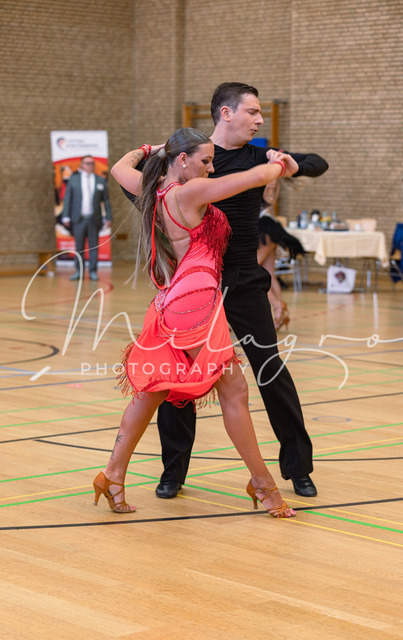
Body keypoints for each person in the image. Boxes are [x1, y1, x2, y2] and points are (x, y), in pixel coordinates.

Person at [93, 127, 298, 518]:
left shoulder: (152, 190)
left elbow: (120, 166)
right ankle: (264, 486)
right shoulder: (190, 192)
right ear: (183, 160)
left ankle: (112, 475)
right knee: (234, 392)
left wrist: (150, 148)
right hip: (195, 305)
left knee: (153, 390)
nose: (211, 167)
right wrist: (278, 164)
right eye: (205, 160)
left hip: (171, 301)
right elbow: (252, 178)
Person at [150, 83, 328, 501]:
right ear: (226, 113)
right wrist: (151, 151)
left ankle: (298, 468)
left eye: (261, 112)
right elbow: (137, 182)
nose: (259, 120)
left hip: (243, 280)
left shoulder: (257, 157)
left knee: (270, 369)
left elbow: (317, 163)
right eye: (252, 112)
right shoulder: (194, 157)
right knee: (180, 376)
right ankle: (173, 471)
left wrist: (290, 164)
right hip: (194, 283)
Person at [257, 179, 305, 331]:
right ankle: (280, 312)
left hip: (264, 227)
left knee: (251, 270)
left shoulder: (261, 183)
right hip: (271, 225)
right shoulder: (272, 185)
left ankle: (277, 306)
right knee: (270, 273)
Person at [62, 155, 112, 281]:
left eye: (92, 163)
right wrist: (65, 216)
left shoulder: (101, 180)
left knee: (94, 246)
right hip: (78, 219)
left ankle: (93, 271)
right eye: (87, 163)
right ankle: (79, 271)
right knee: (79, 247)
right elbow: (68, 199)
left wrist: (109, 216)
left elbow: (106, 201)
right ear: (82, 165)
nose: (90, 165)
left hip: (94, 219)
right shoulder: (74, 179)